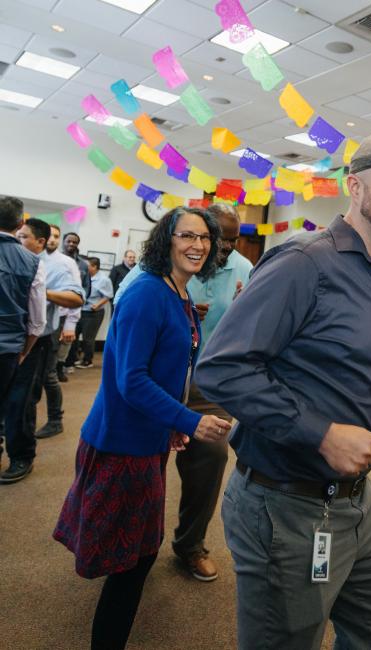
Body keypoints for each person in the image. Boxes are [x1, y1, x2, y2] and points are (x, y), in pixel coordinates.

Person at [195, 133, 371, 649]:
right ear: (354, 187)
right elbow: (220, 368)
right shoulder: (304, 262)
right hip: (284, 502)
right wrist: (322, 433)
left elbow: (334, 364)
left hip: (357, 503)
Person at [52, 207, 232, 650]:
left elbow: (166, 368)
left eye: (205, 238)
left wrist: (169, 421)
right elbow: (130, 379)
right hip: (121, 442)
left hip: (148, 435)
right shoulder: (147, 293)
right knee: (134, 559)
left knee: (136, 550)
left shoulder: (178, 292)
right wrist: (189, 418)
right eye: (187, 236)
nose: (198, 245)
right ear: (166, 240)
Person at [115, 203, 253, 582]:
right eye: (213, 235)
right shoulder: (158, 269)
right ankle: (132, 545)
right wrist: (178, 314)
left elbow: (259, 328)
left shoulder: (243, 269)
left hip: (208, 382)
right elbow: (125, 308)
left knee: (210, 457)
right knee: (145, 464)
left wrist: (241, 314)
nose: (220, 246)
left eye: (228, 239)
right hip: (159, 380)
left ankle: (190, 544)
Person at [1, 221, 83, 482]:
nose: (17, 240)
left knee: (21, 402)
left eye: (23, 236)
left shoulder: (60, 264)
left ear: (39, 241)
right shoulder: (15, 258)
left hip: (35, 341)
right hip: (12, 342)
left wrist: (38, 291)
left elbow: (76, 299)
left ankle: (22, 456)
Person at [0, 206, 47, 474]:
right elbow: (37, 321)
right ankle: (20, 458)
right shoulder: (31, 262)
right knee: (17, 402)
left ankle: (21, 455)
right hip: (12, 347)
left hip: (13, 346)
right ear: (19, 224)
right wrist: (24, 351)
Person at [33, 223, 82, 441]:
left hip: (54, 323)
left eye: (56, 236)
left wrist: (71, 325)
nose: (52, 239)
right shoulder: (34, 257)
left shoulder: (67, 262)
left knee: (49, 375)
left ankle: (55, 419)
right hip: (31, 325)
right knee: (31, 376)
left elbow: (76, 295)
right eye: (50, 236)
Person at [65, 257, 113, 369]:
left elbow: (109, 295)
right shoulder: (83, 276)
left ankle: (87, 360)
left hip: (93, 313)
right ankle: (74, 358)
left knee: (88, 338)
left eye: (88, 266)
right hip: (80, 310)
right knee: (74, 336)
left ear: (95, 267)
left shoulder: (104, 279)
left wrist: (98, 304)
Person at [57, 231, 89, 378]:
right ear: (64, 241)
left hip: (73, 306)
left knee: (68, 339)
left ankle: (59, 366)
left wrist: (80, 301)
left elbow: (86, 286)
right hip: (55, 304)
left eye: (74, 242)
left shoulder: (82, 264)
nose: (71, 244)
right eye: (68, 241)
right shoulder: (55, 258)